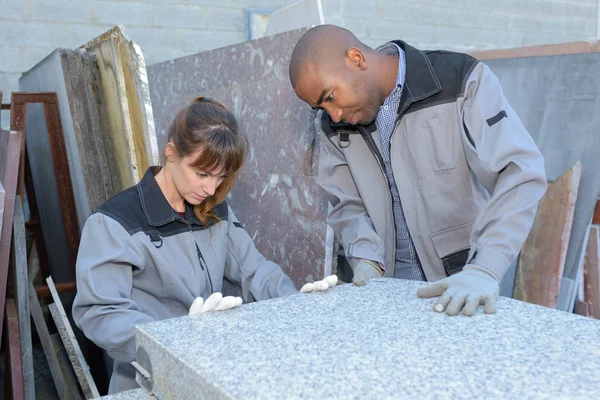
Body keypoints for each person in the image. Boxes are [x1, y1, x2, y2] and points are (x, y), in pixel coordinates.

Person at [72, 97, 336, 394]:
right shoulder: (115, 222)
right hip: (148, 384)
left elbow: (255, 270)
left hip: (208, 373)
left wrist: (297, 304)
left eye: (220, 177)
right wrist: (174, 339)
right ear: (171, 153)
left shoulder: (213, 208)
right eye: (202, 174)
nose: (211, 189)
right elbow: (101, 313)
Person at [289, 25, 547, 316]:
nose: (333, 114)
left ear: (356, 59)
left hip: (462, 289)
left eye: (331, 96)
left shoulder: (458, 80)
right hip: (388, 301)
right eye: (320, 107)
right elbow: (347, 205)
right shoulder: (335, 127)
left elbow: (521, 172)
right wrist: (367, 260)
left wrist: (485, 268)